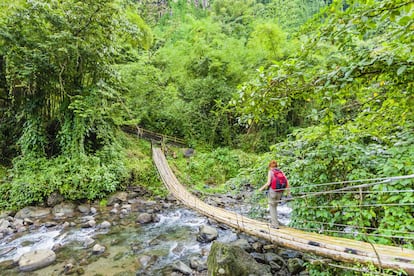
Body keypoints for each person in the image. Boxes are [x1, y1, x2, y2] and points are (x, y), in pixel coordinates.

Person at [258, 160, 290, 229]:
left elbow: (268, 183)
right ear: (276, 166)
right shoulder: (281, 172)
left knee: (272, 208)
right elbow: (287, 183)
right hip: (280, 192)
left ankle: (275, 225)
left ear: (270, 166)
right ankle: (276, 223)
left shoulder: (271, 172)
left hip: (273, 192)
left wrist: (261, 189)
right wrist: (288, 193)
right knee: (275, 206)